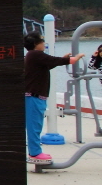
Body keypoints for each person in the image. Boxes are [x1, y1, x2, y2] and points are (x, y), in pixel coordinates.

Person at [24, 31, 84, 164]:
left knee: (35, 125)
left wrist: (64, 58)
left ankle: (35, 151)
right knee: (34, 126)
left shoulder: (33, 56)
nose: (44, 43)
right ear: (36, 44)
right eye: (42, 41)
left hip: (35, 96)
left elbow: (49, 63)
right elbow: (53, 60)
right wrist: (74, 59)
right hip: (34, 96)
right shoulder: (35, 54)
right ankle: (35, 153)